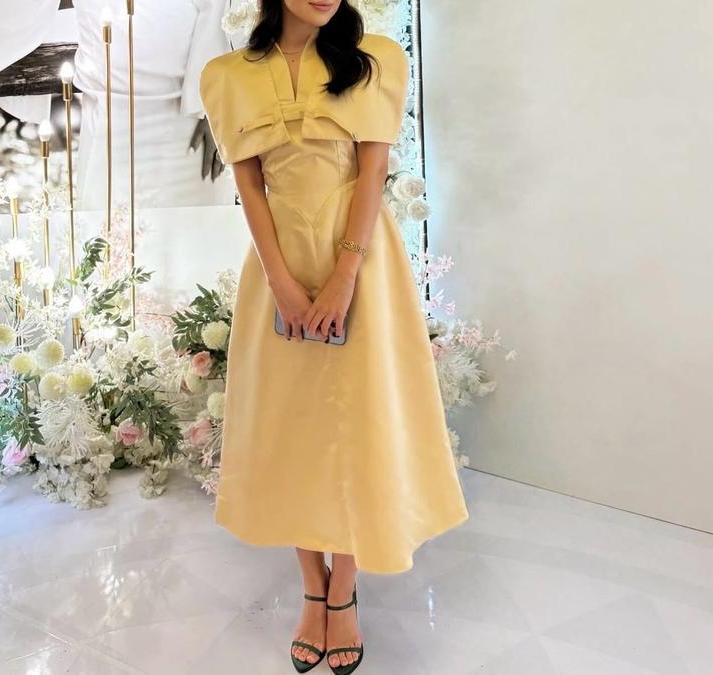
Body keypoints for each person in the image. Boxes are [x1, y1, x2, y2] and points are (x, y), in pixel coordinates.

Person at [200, 1, 469, 672]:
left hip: (364, 267)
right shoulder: (228, 75)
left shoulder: (376, 60)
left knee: (358, 422)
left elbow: (373, 171)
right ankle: (312, 586)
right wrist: (281, 281)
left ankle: (343, 588)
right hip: (278, 270)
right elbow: (249, 186)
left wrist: (346, 274)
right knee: (292, 426)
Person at [73, 0, 233, 209]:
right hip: (109, 116)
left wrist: (216, 102)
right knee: (108, 219)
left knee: (196, 221)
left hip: (189, 121)